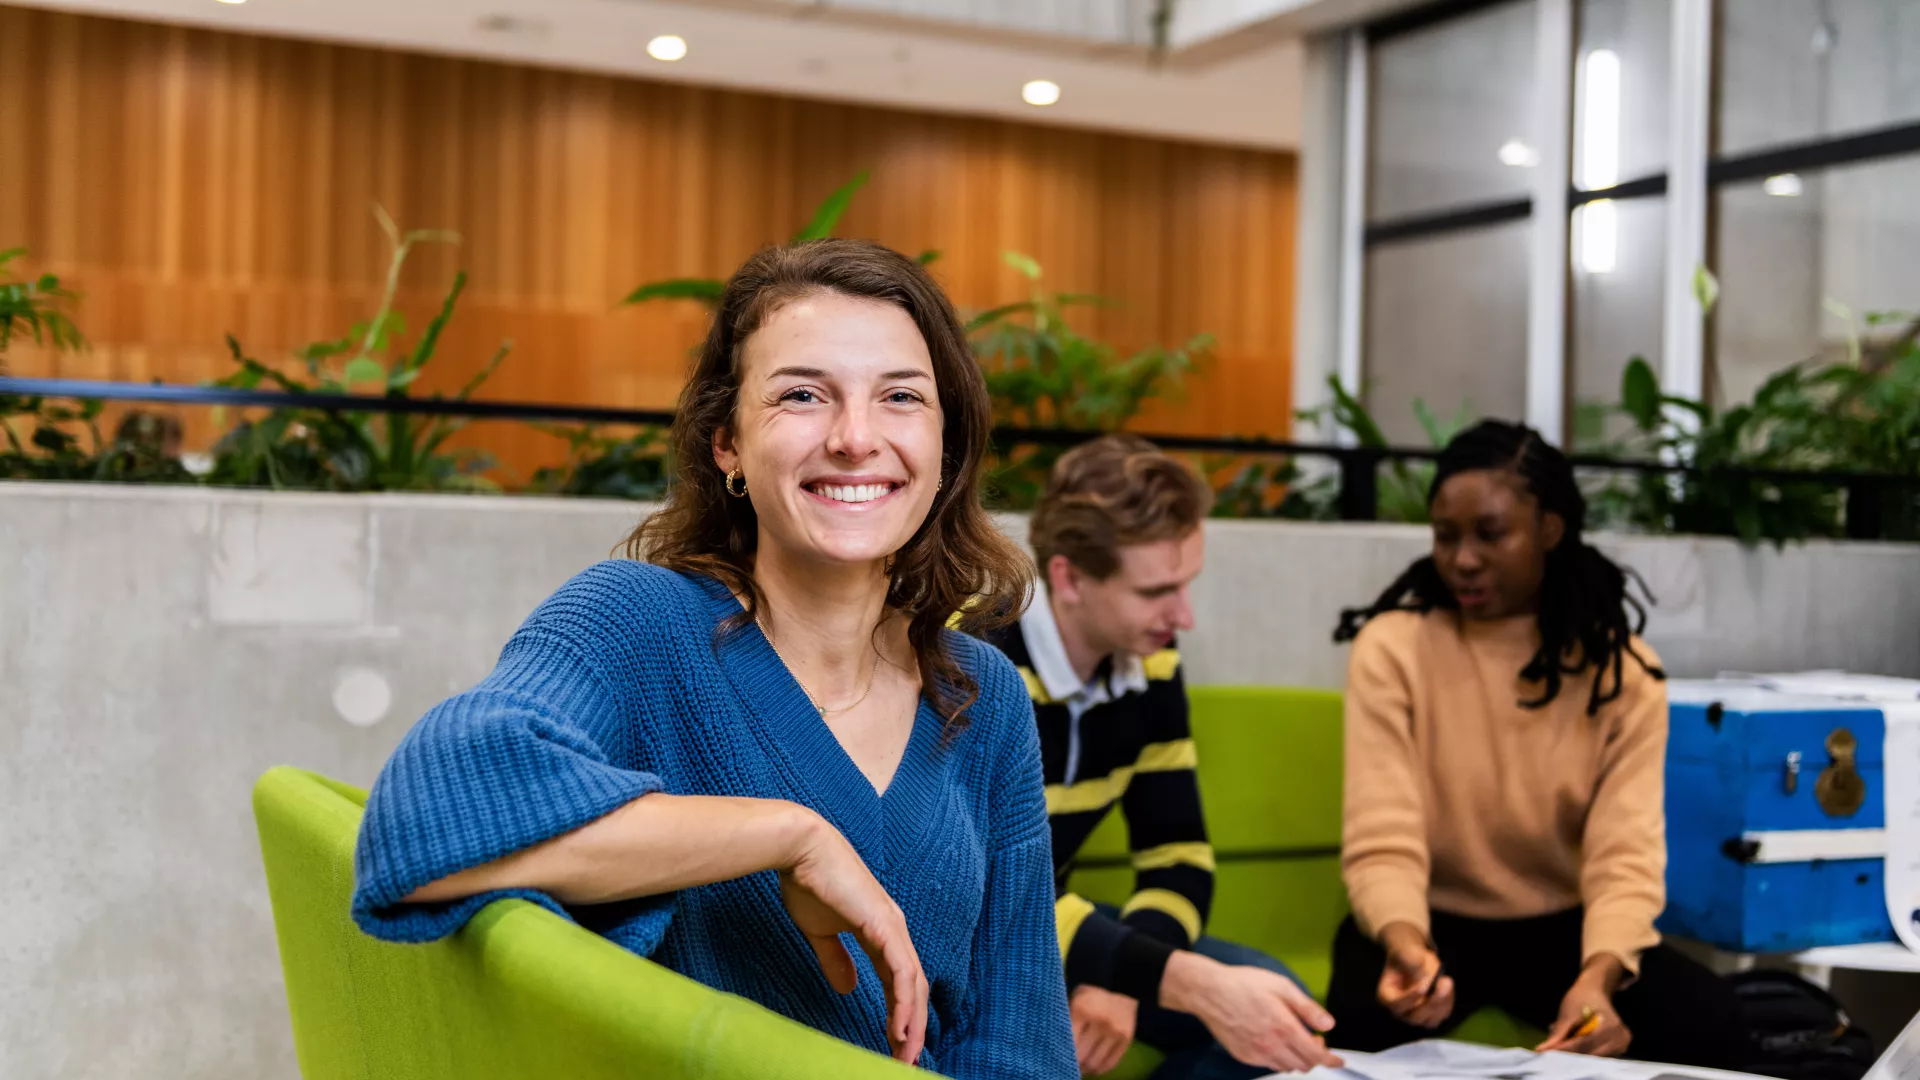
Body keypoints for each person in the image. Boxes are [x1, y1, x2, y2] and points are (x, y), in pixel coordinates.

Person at [350, 239, 1076, 1079]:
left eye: (901, 397)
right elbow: (419, 821)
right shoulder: (636, 622)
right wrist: (789, 837)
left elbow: (1018, 1044)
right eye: (802, 395)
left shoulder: (981, 693)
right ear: (727, 442)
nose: (855, 438)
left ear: (945, 442)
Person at [1325, 420, 1747, 1068]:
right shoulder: (1393, 648)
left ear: (1549, 529)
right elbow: (1382, 836)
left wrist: (1598, 978)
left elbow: (1625, 857)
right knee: (1353, 1025)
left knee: (1713, 1024)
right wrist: (1406, 948)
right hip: (1428, 923)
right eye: (1446, 535)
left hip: (1565, 930)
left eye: (1490, 533)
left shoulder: (1622, 672)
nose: (1463, 558)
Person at [982, 434, 1343, 1080]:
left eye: (1187, 584)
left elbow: (1179, 860)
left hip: (1061, 931)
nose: (1184, 616)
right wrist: (1165, 977)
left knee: (1281, 1010)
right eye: (1157, 591)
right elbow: (988, 889)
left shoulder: (1150, 661)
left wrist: (1123, 979)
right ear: (1069, 578)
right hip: (971, 940)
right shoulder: (975, 659)